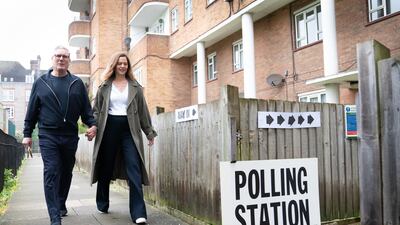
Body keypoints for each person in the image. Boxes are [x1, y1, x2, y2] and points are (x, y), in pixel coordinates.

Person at [22, 46, 97, 225]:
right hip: (48, 135)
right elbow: (31, 111)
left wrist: (93, 125)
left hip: (70, 136)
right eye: (58, 56)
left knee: (66, 172)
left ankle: (61, 201)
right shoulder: (40, 83)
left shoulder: (77, 83)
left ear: (69, 60)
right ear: (52, 59)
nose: (61, 59)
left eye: (65, 56)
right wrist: (27, 134)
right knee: (51, 171)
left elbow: (86, 110)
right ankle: (55, 217)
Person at [91, 51, 157, 224]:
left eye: (125, 63)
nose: (122, 66)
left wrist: (149, 132)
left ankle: (138, 213)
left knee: (134, 169)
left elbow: (143, 111)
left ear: (128, 66)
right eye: (119, 63)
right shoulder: (104, 86)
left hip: (130, 130)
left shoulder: (135, 86)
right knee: (106, 167)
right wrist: (94, 127)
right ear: (114, 65)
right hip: (109, 128)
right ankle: (102, 202)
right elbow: (97, 110)